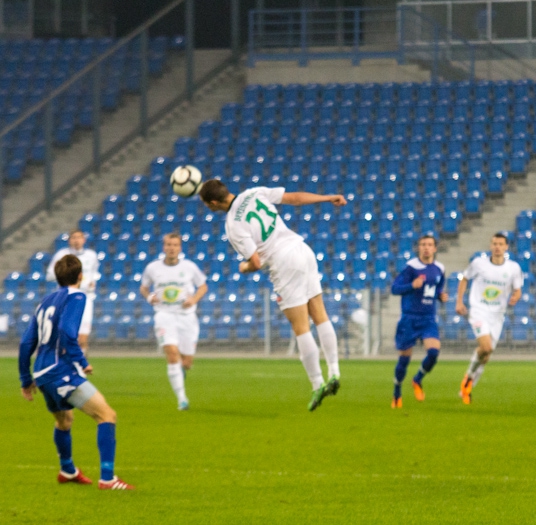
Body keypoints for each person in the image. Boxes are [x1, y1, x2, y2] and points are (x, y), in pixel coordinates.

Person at [199, 179, 344, 412]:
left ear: (213, 202)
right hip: (302, 249)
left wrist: (244, 267)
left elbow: (256, 262)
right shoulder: (253, 193)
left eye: (207, 204)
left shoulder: (233, 225)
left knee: (301, 327)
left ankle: (318, 383)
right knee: (320, 314)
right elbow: (294, 198)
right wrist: (327, 197)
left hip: (283, 262)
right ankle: (334, 371)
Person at [18, 254, 133, 490]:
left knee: (64, 420)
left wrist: (25, 378)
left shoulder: (45, 302)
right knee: (106, 415)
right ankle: (108, 479)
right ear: (80, 276)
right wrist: (81, 360)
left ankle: (68, 470)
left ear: (57, 277)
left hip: (42, 373)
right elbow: (67, 331)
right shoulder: (77, 296)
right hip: (60, 371)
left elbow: (26, 342)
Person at [140, 233, 208, 411]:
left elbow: (203, 286)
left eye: (175, 245)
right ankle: (182, 399)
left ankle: (180, 372)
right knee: (171, 354)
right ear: (164, 247)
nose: (171, 248)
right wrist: (149, 297)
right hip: (164, 315)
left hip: (186, 316)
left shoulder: (189, 267)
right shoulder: (153, 268)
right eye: (168, 244)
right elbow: (144, 287)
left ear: (180, 248)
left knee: (186, 362)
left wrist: (194, 299)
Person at [455, 233, 523, 405]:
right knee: (486, 347)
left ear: (506, 247)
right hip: (479, 311)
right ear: (490, 245)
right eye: (494, 243)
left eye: (500, 244)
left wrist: (516, 297)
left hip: (497, 315)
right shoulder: (479, 263)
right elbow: (464, 278)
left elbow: (518, 289)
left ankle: (468, 382)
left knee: (485, 355)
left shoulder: (513, 268)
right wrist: (459, 301)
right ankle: (467, 382)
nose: (497, 247)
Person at [390, 235, 447, 408]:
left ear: (435, 248)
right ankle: (397, 392)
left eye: (429, 245)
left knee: (433, 352)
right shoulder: (411, 267)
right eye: (423, 244)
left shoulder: (439, 268)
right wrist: (411, 286)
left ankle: (417, 379)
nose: (426, 247)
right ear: (418, 248)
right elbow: (394, 288)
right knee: (404, 360)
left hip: (428, 318)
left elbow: (437, 288)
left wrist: (440, 296)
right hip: (409, 319)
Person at [46, 229, 99, 355]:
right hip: (66, 297)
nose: (76, 240)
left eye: (79, 237)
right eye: (74, 238)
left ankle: (80, 362)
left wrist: (93, 281)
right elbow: (49, 275)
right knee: (67, 334)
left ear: (84, 240)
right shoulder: (61, 255)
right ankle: (65, 361)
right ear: (69, 240)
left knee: (83, 336)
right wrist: (66, 275)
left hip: (86, 297)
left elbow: (95, 273)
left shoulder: (91, 255)